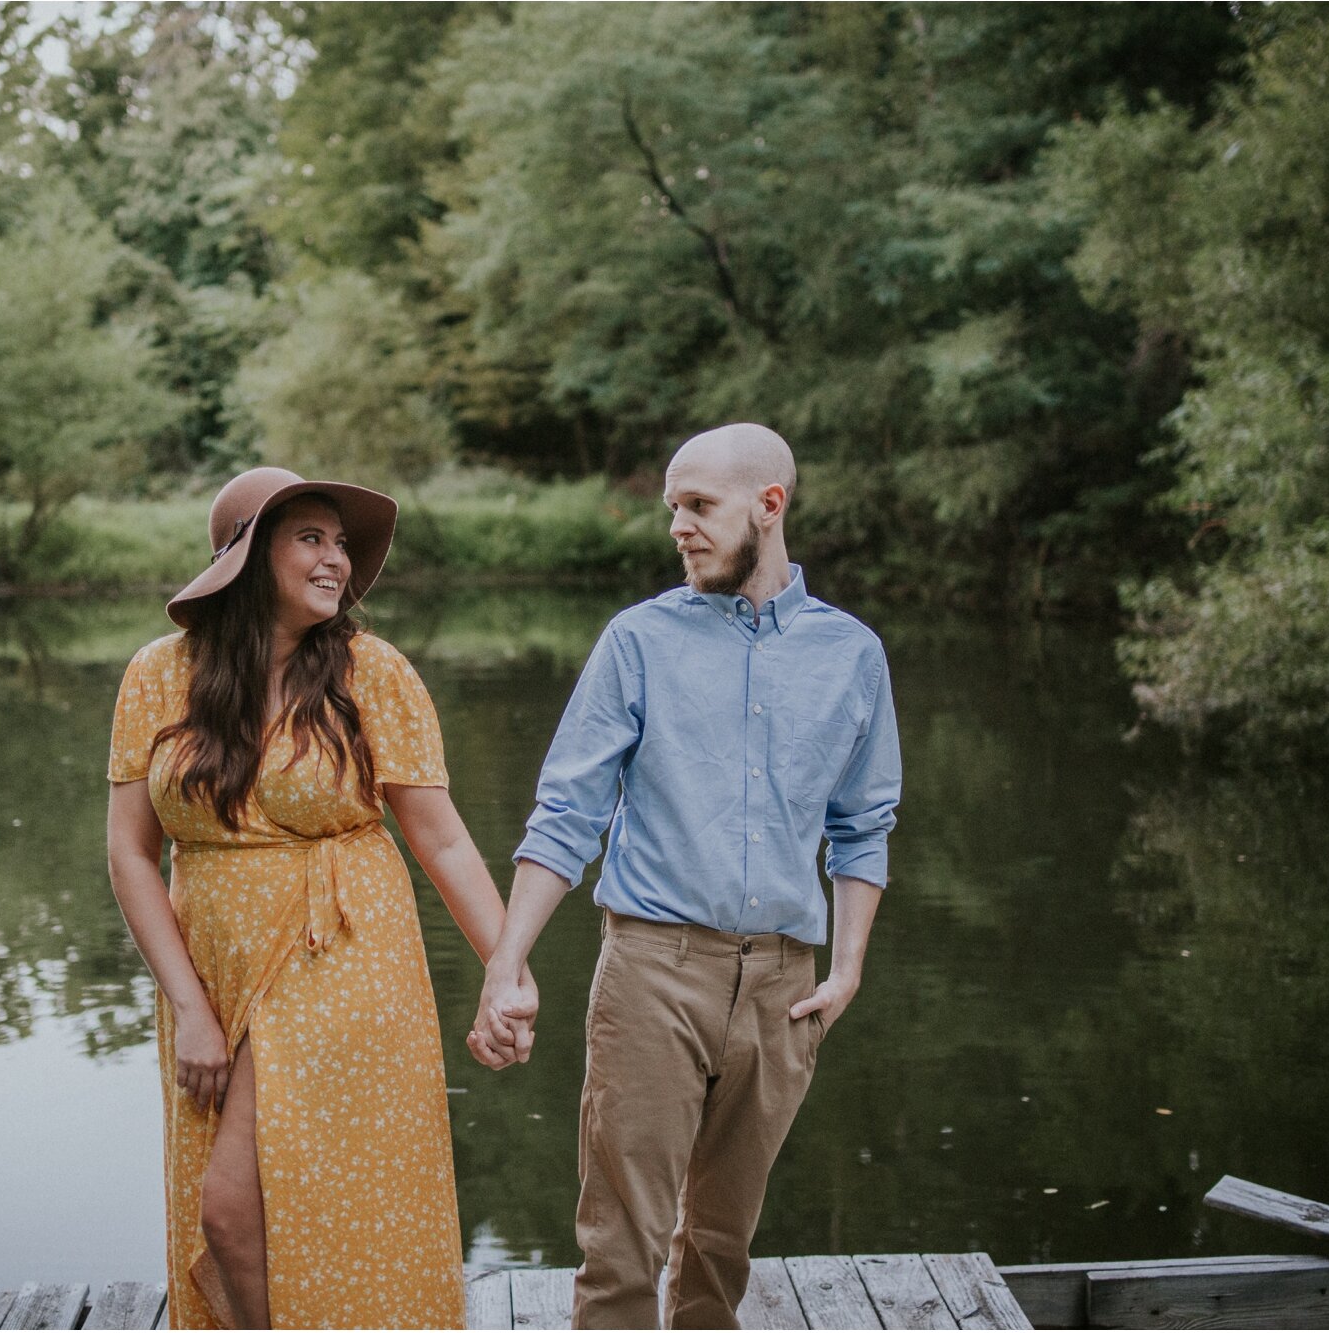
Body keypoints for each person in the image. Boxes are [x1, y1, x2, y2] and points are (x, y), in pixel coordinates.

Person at [471, 423, 903, 1329]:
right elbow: (567, 813)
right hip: (652, 971)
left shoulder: (853, 655)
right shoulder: (639, 641)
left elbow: (862, 827)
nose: (679, 525)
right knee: (621, 1248)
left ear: (769, 505)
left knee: (720, 1250)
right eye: (674, 507)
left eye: (699, 505)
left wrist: (849, 968)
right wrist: (508, 959)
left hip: (785, 987)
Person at [106, 466, 519, 1329]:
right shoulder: (158, 674)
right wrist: (188, 1004)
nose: (338, 560)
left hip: (342, 949)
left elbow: (438, 836)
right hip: (209, 962)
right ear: (250, 556)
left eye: (341, 542)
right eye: (312, 538)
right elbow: (132, 855)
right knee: (254, 1206)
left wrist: (506, 967)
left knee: (237, 1204)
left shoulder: (372, 671)